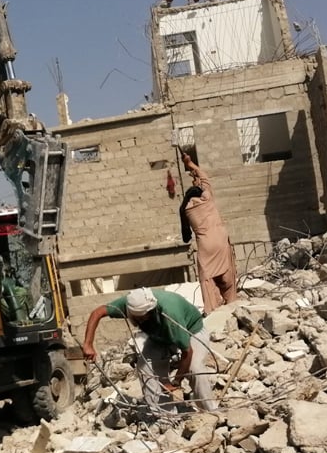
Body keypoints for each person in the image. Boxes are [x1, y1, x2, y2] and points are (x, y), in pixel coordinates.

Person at [82, 287, 218, 413]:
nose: (144, 320)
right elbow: (97, 312)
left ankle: (210, 411)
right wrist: (88, 344)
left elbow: (187, 352)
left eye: (147, 316)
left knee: (195, 368)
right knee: (145, 367)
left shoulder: (170, 314)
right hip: (159, 336)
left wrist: (176, 381)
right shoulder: (129, 303)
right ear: (131, 313)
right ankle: (164, 415)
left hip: (191, 331)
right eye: (140, 319)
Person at [180, 153, 238, 313]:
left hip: (206, 246)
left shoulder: (187, 210)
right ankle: (231, 302)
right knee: (228, 274)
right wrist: (190, 164)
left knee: (207, 279)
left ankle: (212, 309)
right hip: (220, 240)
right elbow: (205, 180)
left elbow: (186, 237)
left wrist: (195, 182)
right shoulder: (207, 199)